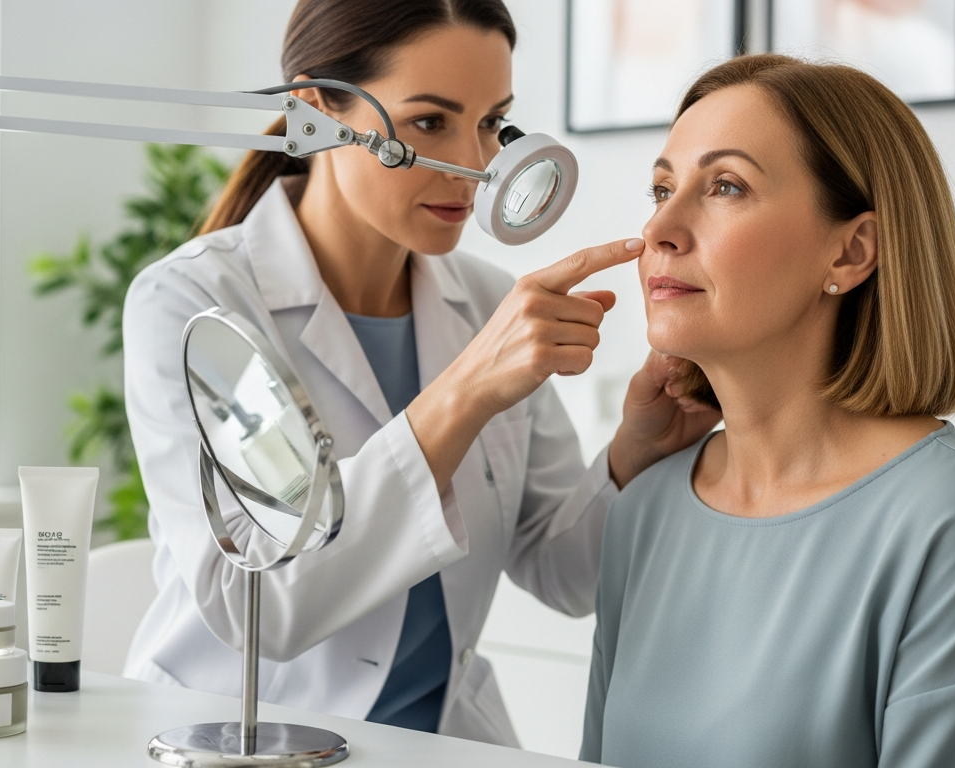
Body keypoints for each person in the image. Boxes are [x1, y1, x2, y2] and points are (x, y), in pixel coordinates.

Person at [121, 0, 717, 746]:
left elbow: (563, 573)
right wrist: (467, 392)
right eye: (430, 122)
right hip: (245, 740)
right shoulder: (193, 301)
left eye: (492, 122)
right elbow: (257, 607)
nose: (474, 164)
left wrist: (637, 449)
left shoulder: (488, 302)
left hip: (435, 741)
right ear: (316, 112)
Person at [582, 54, 955, 767]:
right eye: (662, 189)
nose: (661, 230)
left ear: (851, 251)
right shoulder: (643, 511)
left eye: (726, 186)